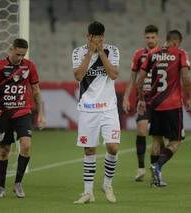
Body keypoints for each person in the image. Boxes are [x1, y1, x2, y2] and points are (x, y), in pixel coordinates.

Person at [0, 38, 45, 198]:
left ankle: (18, 183)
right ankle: (1, 187)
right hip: (5, 113)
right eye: (18, 54)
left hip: (23, 111)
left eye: (23, 54)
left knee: (26, 145)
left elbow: (36, 90)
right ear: (11, 50)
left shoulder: (29, 66)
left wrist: (41, 112)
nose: (20, 58)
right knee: (4, 150)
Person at [137, 30, 191, 187]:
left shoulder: (152, 54)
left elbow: (140, 79)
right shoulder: (180, 53)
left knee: (156, 139)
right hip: (173, 105)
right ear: (176, 42)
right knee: (175, 141)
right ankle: (158, 166)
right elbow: (186, 78)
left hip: (155, 105)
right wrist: (189, 98)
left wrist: (141, 99)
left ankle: (155, 179)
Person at [72, 21, 120, 204]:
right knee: (89, 149)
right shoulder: (78, 52)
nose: (98, 40)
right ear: (88, 37)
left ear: (103, 37)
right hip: (87, 108)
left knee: (113, 147)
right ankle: (88, 192)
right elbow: (78, 76)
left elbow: (114, 74)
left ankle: (107, 185)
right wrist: (90, 54)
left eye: (101, 38)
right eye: (95, 38)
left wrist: (100, 52)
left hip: (108, 107)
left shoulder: (112, 51)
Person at [122, 25, 160, 181]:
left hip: (160, 100)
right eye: (147, 37)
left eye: (153, 37)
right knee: (141, 131)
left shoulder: (164, 54)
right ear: (144, 38)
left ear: (157, 37)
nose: (150, 40)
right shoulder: (139, 54)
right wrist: (125, 97)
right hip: (143, 101)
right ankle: (140, 168)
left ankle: (156, 172)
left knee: (158, 138)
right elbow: (132, 78)